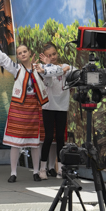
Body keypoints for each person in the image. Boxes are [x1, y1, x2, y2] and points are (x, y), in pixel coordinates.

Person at [0, 35, 56, 182]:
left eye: (25, 51)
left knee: (35, 142)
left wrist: (44, 69)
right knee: (15, 142)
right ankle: (13, 173)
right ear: (17, 56)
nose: (22, 54)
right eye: (19, 53)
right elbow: (3, 59)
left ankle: (36, 172)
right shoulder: (17, 69)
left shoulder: (39, 69)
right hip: (18, 107)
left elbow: (49, 82)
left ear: (30, 53)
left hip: (34, 107)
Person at [36, 42, 76, 179]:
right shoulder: (42, 68)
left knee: (60, 137)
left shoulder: (66, 66)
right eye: (49, 55)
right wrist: (47, 67)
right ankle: (42, 168)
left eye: (54, 54)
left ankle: (61, 169)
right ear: (44, 57)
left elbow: (73, 72)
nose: (52, 57)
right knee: (48, 137)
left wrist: (60, 70)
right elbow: (48, 82)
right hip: (48, 106)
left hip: (62, 106)